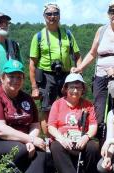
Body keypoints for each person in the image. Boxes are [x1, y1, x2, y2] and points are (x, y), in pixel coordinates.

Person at [71, 0, 114, 140]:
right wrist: (80, 68)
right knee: (99, 111)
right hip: (100, 77)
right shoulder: (101, 30)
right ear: (109, 13)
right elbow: (92, 53)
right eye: (113, 11)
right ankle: (99, 143)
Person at [0, 59, 46, 173]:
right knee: (19, 149)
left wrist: (31, 140)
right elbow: (0, 130)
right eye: (11, 76)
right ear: (2, 77)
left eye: (19, 77)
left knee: (40, 151)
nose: (16, 80)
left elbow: (35, 124)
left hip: (22, 140)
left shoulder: (26, 99)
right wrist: (29, 140)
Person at [29, 3, 82, 138]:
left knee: (71, 104)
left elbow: (77, 55)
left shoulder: (67, 34)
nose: (52, 17)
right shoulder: (39, 36)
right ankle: (48, 140)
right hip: (47, 75)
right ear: (44, 16)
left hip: (66, 74)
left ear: (59, 16)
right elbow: (32, 63)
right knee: (46, 108)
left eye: (55, 13)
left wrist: (78, 73)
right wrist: (34, 87)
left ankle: (70, 134)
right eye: (49, 14)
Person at [48, 73, 99, 173]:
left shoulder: (88, 105)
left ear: (83, 89)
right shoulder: (57, 104)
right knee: (55, 146)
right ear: (65, 89)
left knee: (93, 147)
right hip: (64, 140)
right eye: (72, 87)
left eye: (78, 87)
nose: (75, 90)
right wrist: (61, 138)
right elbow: (51, 126)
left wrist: (86, 137)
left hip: (81, 139)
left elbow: (93, 126)